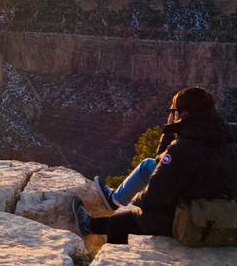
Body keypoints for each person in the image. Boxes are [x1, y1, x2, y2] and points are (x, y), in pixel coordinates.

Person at [73, 87, 237, 244]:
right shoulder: (227, 138)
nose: (172, 115)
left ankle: (92, 231)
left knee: (119, 222)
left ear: (184, 114)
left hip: (195, 220)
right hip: (225, 217)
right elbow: (165, 166)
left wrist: (136, 202)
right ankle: (113, 204)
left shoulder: (184, 148)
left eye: (174, 112)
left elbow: (155, 197)